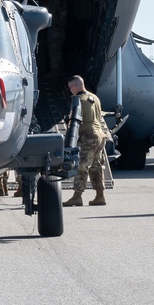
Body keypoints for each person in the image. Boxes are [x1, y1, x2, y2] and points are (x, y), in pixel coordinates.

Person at [63, 75, 108, 207]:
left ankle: (77, 196)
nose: (70, 90)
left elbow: (74, 119)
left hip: (88, 136)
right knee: (96, 166)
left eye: (70, 87)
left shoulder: (78, 100)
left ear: (76, 86)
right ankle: (100, 195)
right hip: (99, 134)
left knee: (82, 166)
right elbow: (99, 116)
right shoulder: (94, 97)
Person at [42, 0, 67, 77]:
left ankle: (55, 71)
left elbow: (62, 16)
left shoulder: (60, 0)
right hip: (52, 28)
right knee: (54, 50)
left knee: (55, 50)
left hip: (57, 29)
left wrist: (57, 24)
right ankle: (57, 71)